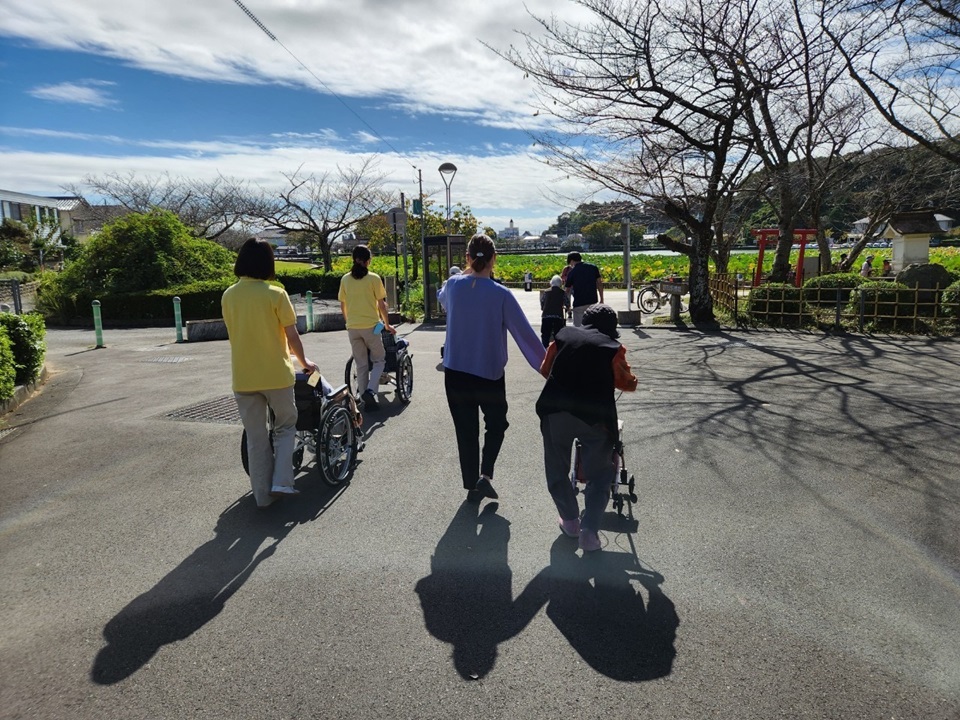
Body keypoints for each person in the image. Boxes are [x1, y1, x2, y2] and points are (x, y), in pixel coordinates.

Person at [439, 233, 546, 502]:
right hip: (489, 374)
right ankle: (485, 474)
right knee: (497, 423)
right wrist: (547, 366)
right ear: (494, 259)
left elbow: (444, 295)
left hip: (455, 373)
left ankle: (471, 484)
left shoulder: (452, 287)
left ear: (467, 258)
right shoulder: (501, 295)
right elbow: (525, 336)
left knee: (466, 431)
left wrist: (468, 269)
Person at [222, 237, 319, 507]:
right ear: (268, 263)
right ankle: (282, 482)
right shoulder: (276, 294)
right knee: (286, 426)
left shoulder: (228, 295)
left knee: (255, 437)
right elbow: (292, 336)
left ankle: (262, 497)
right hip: (276, 374)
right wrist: (303, 362)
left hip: (243, 377)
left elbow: (235, 335)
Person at [536, 304, 638, 552]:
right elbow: (627, 383)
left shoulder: (562, 335)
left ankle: (570, 521)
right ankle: (589, 532)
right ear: (611, 328)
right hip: (595, 417)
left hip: (556, 410)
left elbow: (545, 369)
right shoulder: (614, 348)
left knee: (557, 467)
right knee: (601, 473)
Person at [339, 245, 395, 411]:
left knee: (361, 364)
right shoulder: (374, 278)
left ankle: (364, 400)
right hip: (372, 326)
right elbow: (382, 306)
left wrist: (349, 322)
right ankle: (371, 390)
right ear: (368, 261)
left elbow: (343, 305)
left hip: (353, 328)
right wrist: (387, 324)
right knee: (379, 360)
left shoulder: (345, 279)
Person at [564, 252, 603, 326]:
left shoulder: (572, 272)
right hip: (592, 301)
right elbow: (599, 283)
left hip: (579, 303)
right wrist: (602, 299)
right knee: (592, 326)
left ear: (572, 261)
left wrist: (565, 304)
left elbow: (567, 290)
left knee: (579, 328)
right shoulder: (593, 267)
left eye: (570, 263)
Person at [540, 274, 568, 347]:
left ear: (551, 282)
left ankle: (544, 349)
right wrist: (567, 308)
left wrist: (543, 308)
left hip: (546, 316)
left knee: (545, 334)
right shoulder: (562, 292)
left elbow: (542, 302)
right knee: (558, 335)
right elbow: (567, 303)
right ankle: (557, 350)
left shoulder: (546, 292)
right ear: (560, 283)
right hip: (558, 316)